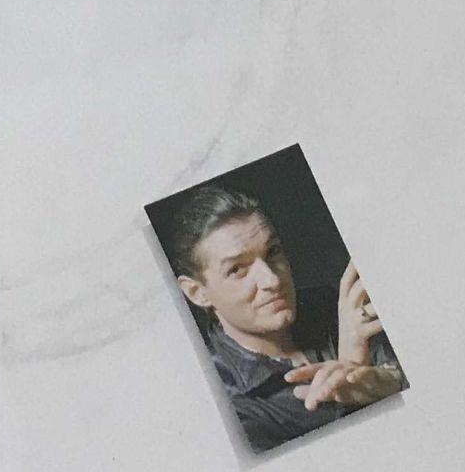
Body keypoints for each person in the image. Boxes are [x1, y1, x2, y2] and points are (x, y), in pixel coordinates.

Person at [162, 182, 404, 453]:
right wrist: (354, 383)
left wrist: (392, 379)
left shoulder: (331, 303)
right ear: (197, 293)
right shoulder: (223, 407)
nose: (272, 280)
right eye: (237, 269)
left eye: (273, 252)